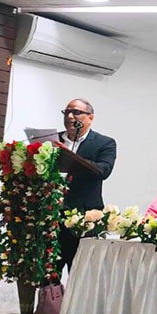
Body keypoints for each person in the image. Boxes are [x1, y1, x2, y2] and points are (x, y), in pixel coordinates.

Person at [56, 98, 117, 271]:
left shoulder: (104, 143)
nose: (70, 116)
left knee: (80, 273)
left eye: (76, 112)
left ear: (90, 118)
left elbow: (103, 171)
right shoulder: (54, 140)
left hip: (84, 219)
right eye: (67, 112)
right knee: (47, 276)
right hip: (52, 218)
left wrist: (70, 157)